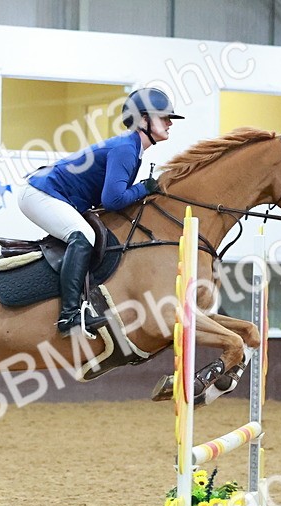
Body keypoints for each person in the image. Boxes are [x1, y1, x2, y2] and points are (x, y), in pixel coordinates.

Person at [20, 87, 182, 336]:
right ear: (144, 119)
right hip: (40, 193)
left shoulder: (133, 149)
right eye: (164, 117)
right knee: (84, 236)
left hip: (52, 194)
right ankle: (69, 317)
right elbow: (114, 199)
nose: (170, 122)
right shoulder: (127, 149)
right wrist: (146, 187)